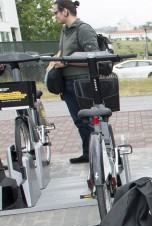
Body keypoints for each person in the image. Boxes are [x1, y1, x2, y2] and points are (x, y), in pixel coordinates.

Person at [52, 0, 100, 164]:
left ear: (65, 11)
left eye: (55, 13)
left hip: (82, 81)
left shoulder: (83, 29)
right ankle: (88, 154)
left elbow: (94, 57)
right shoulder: (64, 31)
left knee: (90, 120)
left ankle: (99, 155)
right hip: (67, 82)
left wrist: (66, 63)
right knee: (79, 121)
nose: (55, 16)